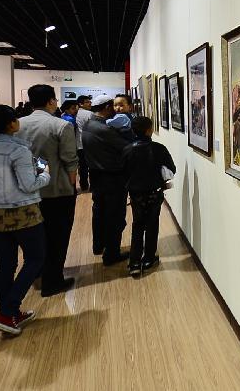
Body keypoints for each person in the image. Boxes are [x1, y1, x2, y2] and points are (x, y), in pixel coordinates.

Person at [0, 105, 49, 336]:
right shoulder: (19, 151)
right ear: (10, 124)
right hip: (23, 212)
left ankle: (9, 314)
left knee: (5, 265)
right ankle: (8, 311)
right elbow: (28, 185)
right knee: (35, 259)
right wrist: (45, 173)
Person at [16, 85, 78, 297]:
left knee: (34, 235)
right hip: (56, 190)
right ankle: (53, 281)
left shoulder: (17, 125)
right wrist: (72, 187)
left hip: (26, 191)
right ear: (52, 101)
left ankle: (36, 271)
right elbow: (70, 160)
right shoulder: (60, 125)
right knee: (57, 236)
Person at [121, 116, 175, 276]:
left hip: (136, 193)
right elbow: (172, 168)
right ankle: (149, 258)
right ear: (148, 130)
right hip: (154, 192)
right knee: (152, 225)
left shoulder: (127, 149)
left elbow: (122, 172)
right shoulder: (158, 148)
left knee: (137, 225)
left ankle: (134, 263)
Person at [82, 94, 130, 265]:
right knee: (115, 216)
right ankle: (112, 254)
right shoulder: (104, 129)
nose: (116, 109)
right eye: (114, 106)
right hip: (112, 177)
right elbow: (127, 148)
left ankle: (98, 245)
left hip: (96, 175)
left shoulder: (89, 123)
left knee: (99, 212)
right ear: (107, 107)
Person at [75, 96, 93, 192]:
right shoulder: (90, 114)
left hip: (79, 144)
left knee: (82, 167)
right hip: (89, 143)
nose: (90, 103)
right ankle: (93, 186)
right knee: (92, 166)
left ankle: (83, 186)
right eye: (87, 102)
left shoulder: (74, 113)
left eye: (90, 101)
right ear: (81, 104)